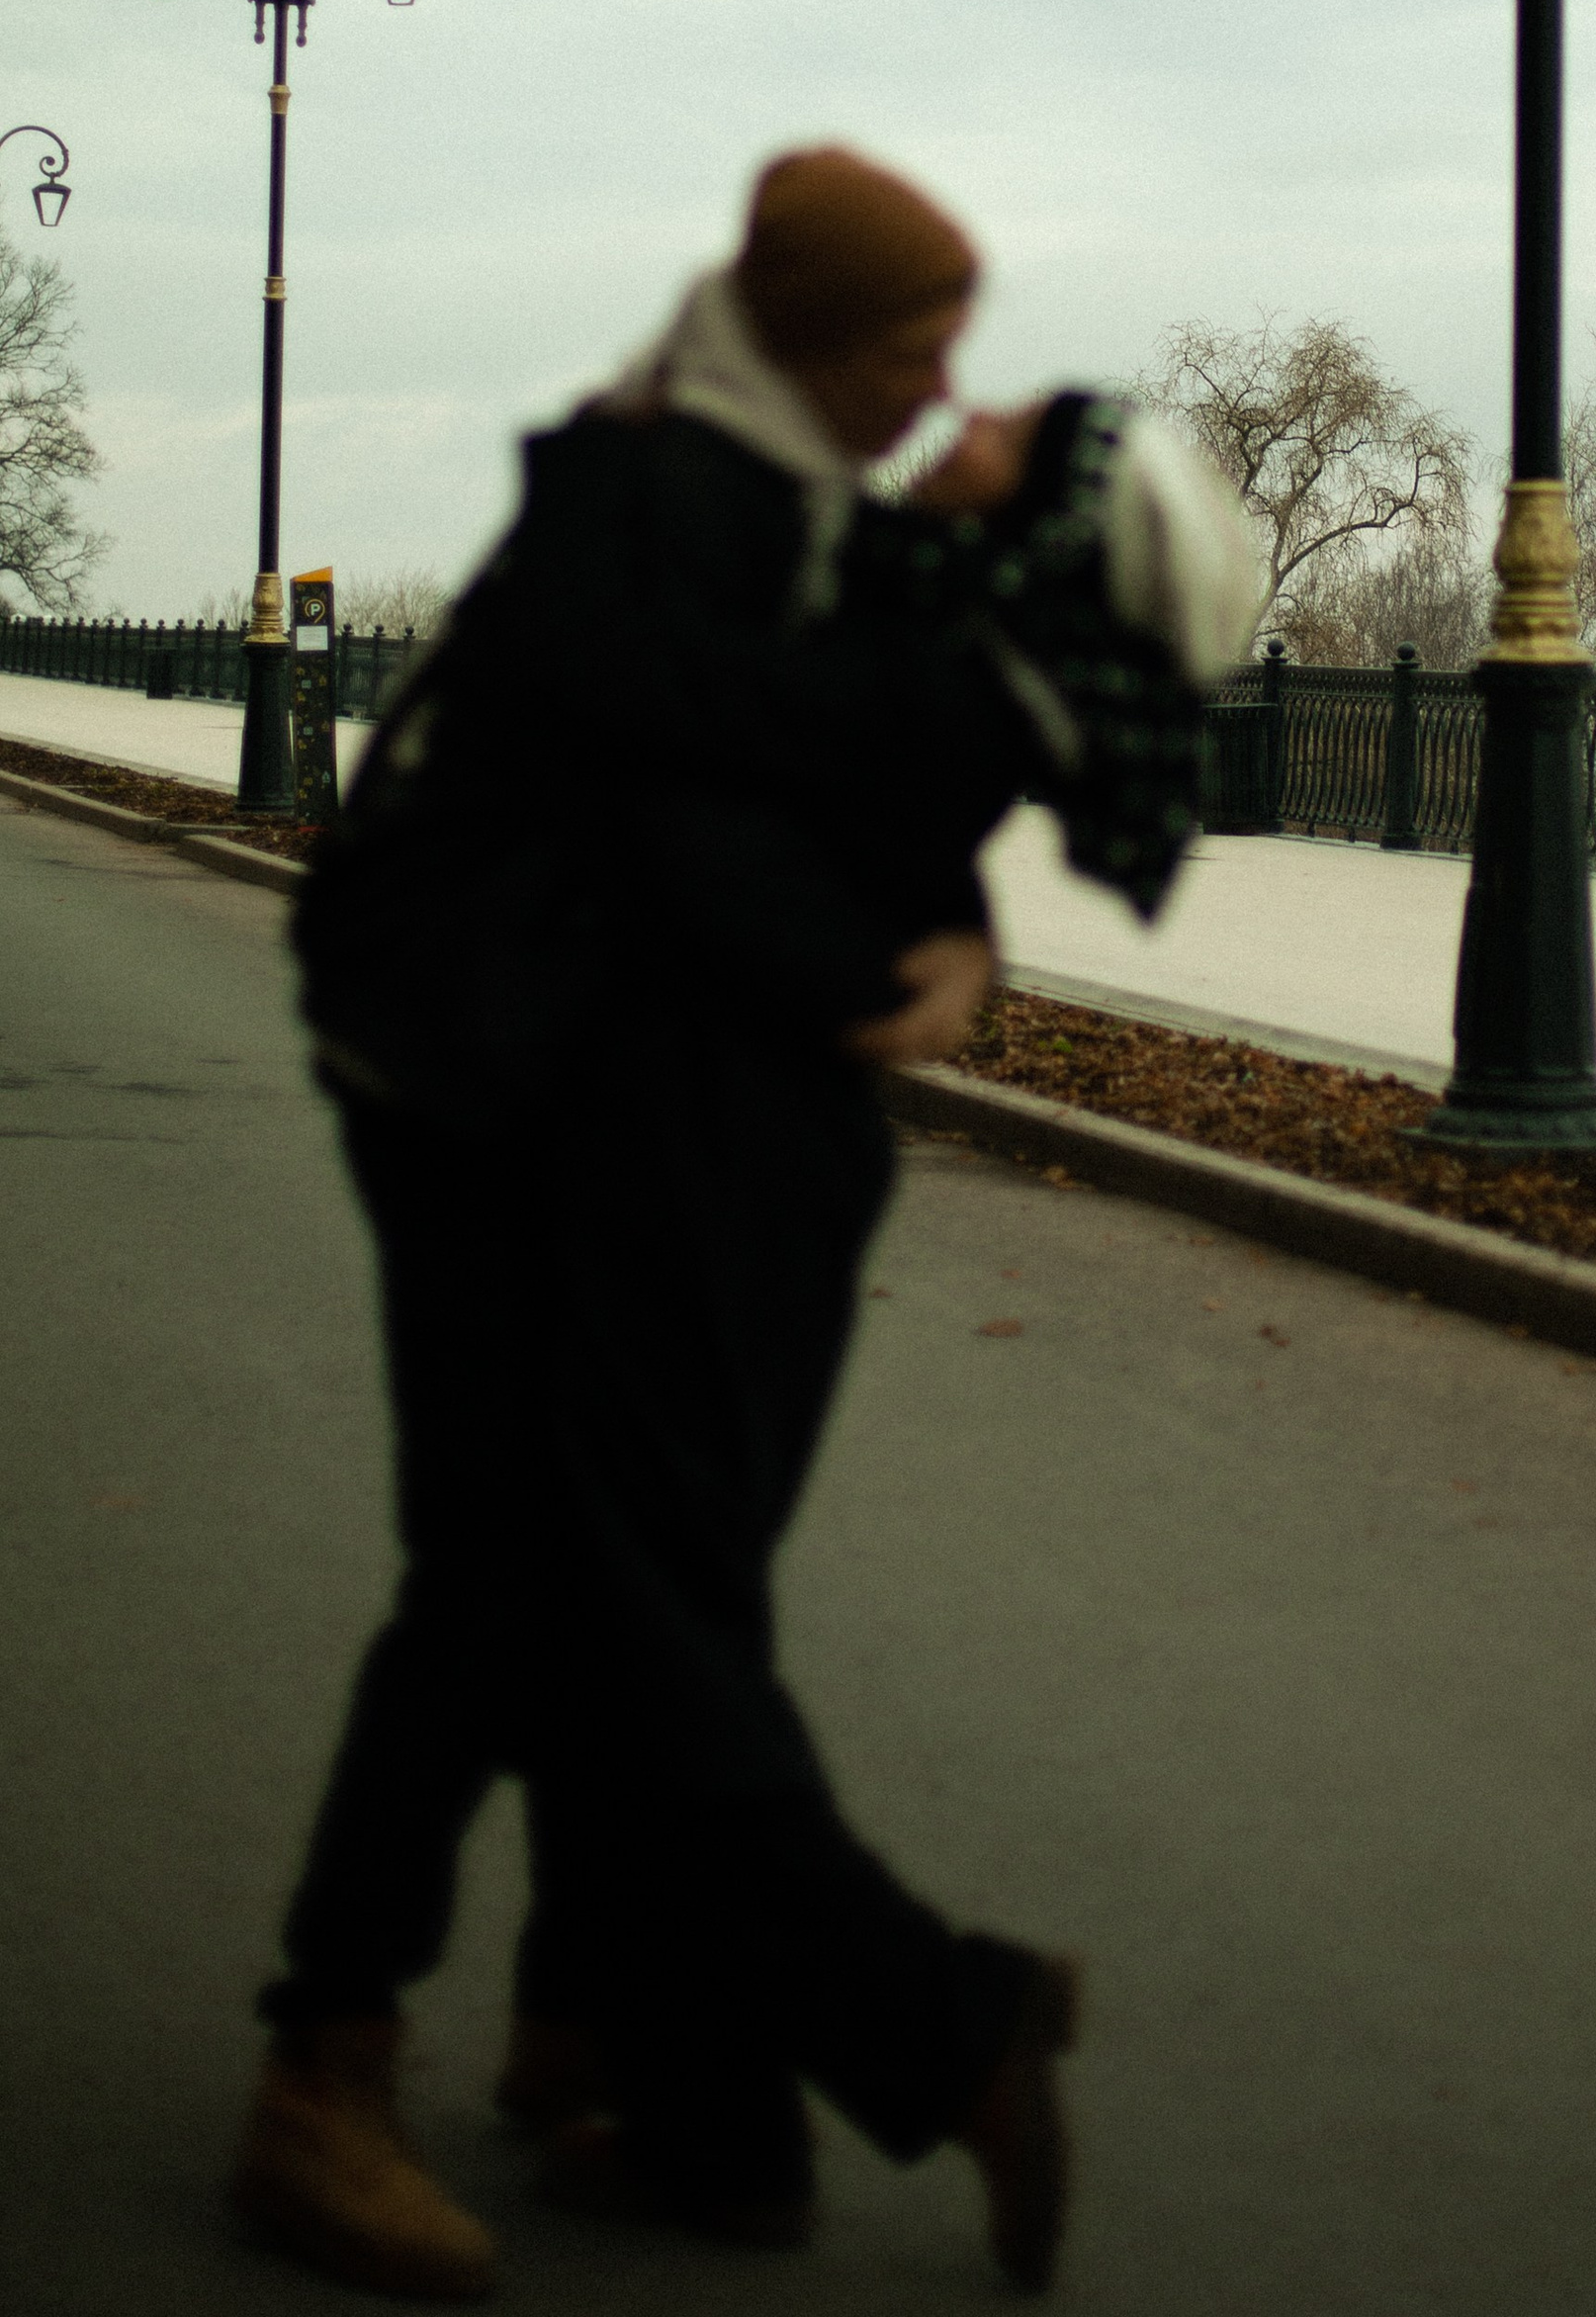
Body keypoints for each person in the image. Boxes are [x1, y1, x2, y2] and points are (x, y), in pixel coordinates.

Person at [228, 145, 1259, 2301]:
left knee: (598, 1582)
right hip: (476, 1067)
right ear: (809, 346)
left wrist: (941, 917)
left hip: (616, 1099)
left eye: (977, 375)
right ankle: (375, 2067)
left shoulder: (811, 518)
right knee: (546, 1578)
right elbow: (684, 797)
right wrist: (902, 947)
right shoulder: (679, 494)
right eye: (919, 353)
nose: (947, 392)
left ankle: (638, 2058)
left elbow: (825, 777)